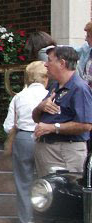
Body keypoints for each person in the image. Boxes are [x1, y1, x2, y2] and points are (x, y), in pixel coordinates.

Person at [32, 45, 92, 177]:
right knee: (46, 194)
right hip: (47, 149)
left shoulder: (79, 88)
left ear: (62, 63)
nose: (46, 65)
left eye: (49, 60)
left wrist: (53, 127)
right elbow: (37, 118)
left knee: (66, 194)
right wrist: (40, 107)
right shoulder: (54, 86)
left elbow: (86, 125)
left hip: (66, 151)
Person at [2, 60, 48, 223]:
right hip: (44, 138)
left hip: (23, 138)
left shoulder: (19, 96)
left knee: (23, 185)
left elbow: (8, 126)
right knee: (45, 183)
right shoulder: (49, 94)